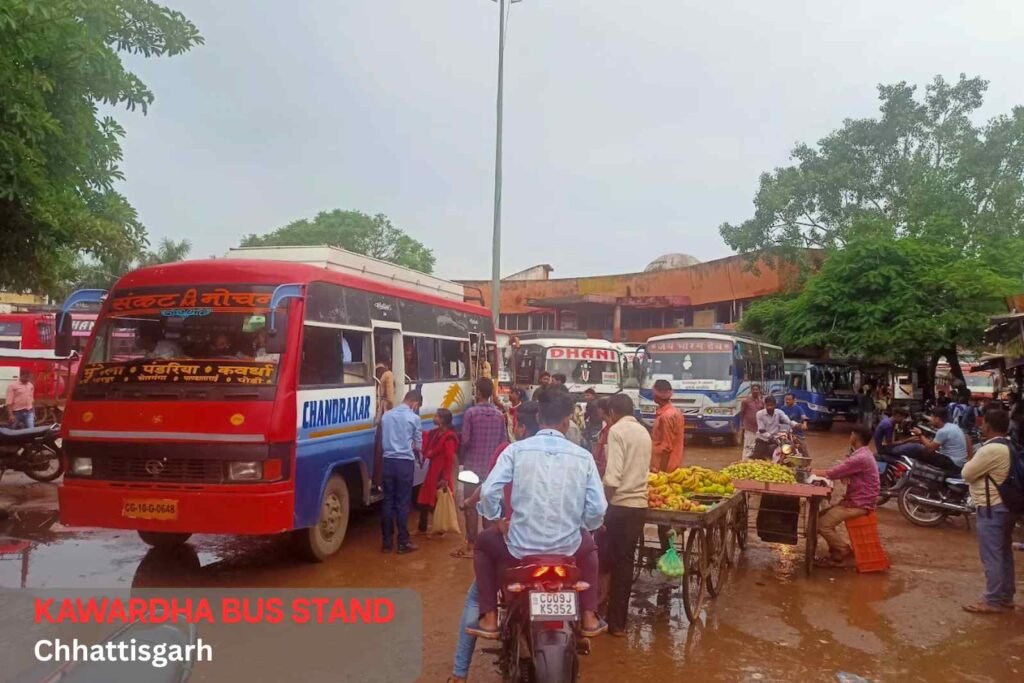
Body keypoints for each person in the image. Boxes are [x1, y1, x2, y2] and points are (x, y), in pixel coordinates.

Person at [468, 389, 607, 639]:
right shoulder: (583, 457)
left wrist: (498, 520)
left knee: (482, 545)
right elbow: (598, 508)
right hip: (568, 549)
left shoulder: (515, 451)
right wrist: (584, 525)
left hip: (520, 548)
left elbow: (488, 492)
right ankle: (589, 615)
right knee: (590, 550)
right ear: (566, 422)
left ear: (539, 417)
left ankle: (489, 618)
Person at [449, 403, 541, 683]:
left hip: (516, 543)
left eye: (515, 422)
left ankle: (459, 674)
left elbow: (489, 488)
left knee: (476, 595)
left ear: (521, 427)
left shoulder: (509, 452)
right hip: (556, 548)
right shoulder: (571, 453)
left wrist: (494, 518)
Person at [601, 393, 651, 636]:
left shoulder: (616, 431)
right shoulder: (644, 432)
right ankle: (618, 624)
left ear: (612, 413)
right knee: (625, 564)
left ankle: (598, 615)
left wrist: (603, 505)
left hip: (619, 505)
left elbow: (612, 476)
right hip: (639, 507)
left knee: (603, 561)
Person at [961, 408, 1018, 613]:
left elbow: (967, 473)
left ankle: (992, 600)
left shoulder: (990, 449)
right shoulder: (1009, 445)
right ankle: (1005, 596)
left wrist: (970, 458)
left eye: (983, 423)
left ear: (987, 425)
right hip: (1006, 507)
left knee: (992, 556)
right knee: (1004, 554)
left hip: (991, 508)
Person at [451, 378, 508, 560]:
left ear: (478, 392)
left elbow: (466, 440)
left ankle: (471, 544)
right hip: (492, 470)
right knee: (489, 504)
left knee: (471, 504)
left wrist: (462, 458)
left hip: (472, 467)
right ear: (491, 393)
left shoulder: (471, 413)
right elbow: (503, 442)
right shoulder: (499, 415)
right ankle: (489, 544)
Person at [813, 424, 880, 567]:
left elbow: (832, 473)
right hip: (857, 499)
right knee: (821, 514)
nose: (850, 437)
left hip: (859, 503)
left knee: (821, 524)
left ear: (855, 437)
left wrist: (810, 471)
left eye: (851, 434)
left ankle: (843, 551)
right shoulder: (863, 453)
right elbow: (843, 471)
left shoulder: (860, 457)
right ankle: (835, 551)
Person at [380, 391, 423, 554]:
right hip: (405, 463)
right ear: (414, 403)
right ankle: (403, 542)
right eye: (417, 406)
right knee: (403, 503)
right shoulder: (414, 419)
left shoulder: (386, 416)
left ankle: (386, 542)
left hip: (388, 462)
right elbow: (418, 445)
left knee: (388, 501)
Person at [417, 409, 459, 535]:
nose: (434, 418)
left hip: (440, 472)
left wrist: (445, 477)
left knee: (436, 500)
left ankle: (439, 528)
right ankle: (423, 528)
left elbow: (449, 458)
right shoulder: (436, 433)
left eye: (436, 416)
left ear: (442, 420)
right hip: (433, 470)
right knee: (425, 499)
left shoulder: (449, 437)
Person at [910, 407, 969, 474]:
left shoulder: (943, 431)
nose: (930, 420)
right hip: (960, 462)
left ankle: (919, 474)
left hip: (953, 463)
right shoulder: (954, 426)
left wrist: (920, 435)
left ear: (937, 419)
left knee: (920, 451)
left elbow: (930, 448)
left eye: (932, 417)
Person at [651, 379, 684, 472]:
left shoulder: (666, 416)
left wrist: (662, 473)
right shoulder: (675, 412)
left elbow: (666, 447)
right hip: (673, 463)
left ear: (657, 395)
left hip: (664, 467)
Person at [753, 396, 793, 461]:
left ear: (775, 405)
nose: (769, 407)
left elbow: (788, 421)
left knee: (788, 449)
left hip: (775, 439)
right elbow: (761, 430)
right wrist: (771, 437)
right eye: (768, 405)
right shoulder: (759, 414)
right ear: (765, 405)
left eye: (771, 405)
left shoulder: (779, 412)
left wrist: (797, 425)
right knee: (755, 458)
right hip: (762, 439)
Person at [739, 384, 765, 459]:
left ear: (759, 391)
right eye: (754, 389)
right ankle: (744, 460)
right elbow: (742, 412)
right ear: (751, 391)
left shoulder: (761, 402)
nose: (755, 391)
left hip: (758, 427)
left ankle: (753, 460)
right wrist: (742, 424)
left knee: (755, 445)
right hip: (748, 427)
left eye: (757, 389)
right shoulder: (746, 401)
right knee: (747, 444)